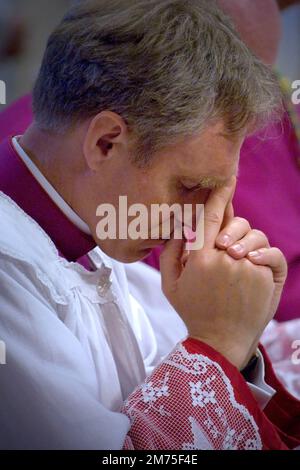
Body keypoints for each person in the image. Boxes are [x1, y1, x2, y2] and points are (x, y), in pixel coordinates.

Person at [0, 0, 299, 450]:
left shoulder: (94, 231)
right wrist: (215, 344)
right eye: (190, 186)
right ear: (106, 142)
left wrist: (238, 332)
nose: (200, 219)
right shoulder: (10, 266)